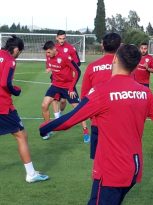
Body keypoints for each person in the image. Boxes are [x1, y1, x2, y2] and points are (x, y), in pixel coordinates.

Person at [39, 44, 153, 205]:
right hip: (134, 167)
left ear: (115, 59)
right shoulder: (145, 93)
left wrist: (45, 127)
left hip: (111, 171)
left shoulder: (101, 92)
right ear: (135, 66)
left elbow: (70, 119)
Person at [0, 35, 49, 183]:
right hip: (3, 106)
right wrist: (16, 90)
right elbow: (5, 83)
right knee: (21, 135)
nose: (18, 55)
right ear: (15, 49)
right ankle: (31, 174)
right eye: (19, 52)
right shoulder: (10, 60)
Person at [80, 32, 121, 159]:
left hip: (98, 122)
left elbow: (84, 98)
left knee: (99, 161)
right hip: (121, 123)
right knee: (120, 160)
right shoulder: (126, 67)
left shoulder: (92, 67)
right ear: (119, 46)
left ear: (102, 46)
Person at [41, 41, 89, 142]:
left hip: (68, 86)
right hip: (55, 85)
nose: (47, 55)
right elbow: (49, 64)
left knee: (79, 109)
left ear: (54, 49)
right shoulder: (48, 56)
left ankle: (85, 131)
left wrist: (71, 88)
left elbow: (77, 71)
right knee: (44, 105)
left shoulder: (65, 57)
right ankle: (48, 129)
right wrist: (49, 68)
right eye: (46, 53)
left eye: (49, 52)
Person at [52, 30, 81, 121]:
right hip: (56, 79)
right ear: (56, 38)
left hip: (68, 80)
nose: (62, 40)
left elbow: (77, 63)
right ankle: (57, 120)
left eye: (63, 38)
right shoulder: (53, 48)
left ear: (66, 38)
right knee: (55, 99)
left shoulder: (71, 48)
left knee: (64, 101)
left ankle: (60, 112)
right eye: (60, 38)